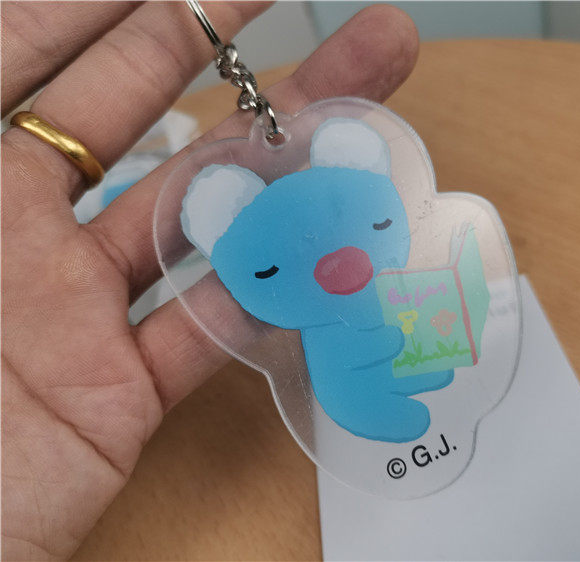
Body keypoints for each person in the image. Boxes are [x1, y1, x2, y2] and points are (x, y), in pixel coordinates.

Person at [1, 2, 419, 559]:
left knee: (394, 357)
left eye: (378, 225)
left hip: (380, 359)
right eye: (269, 271)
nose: (339, 268)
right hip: (341, 405)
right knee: (360, 379)